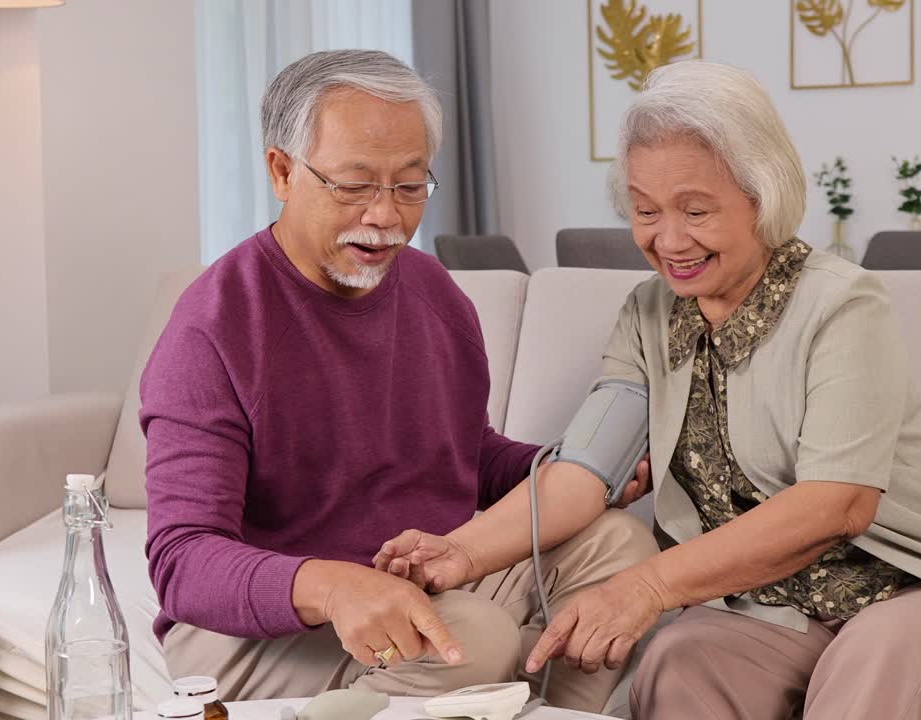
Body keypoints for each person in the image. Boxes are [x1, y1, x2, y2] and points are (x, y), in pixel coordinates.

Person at [380, 60, 921, 719]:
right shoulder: (647, 316)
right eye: (645, 209)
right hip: (778, 607)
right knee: (679, 661)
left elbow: (835, 503)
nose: (667, 239)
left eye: (695, 210)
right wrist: (461, 552)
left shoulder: (842, 305)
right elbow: (581, 474)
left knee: (880, 658)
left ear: (762, 197)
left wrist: (649, 586)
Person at [139, 49, 657, 713]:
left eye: (410, 186)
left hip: (422, 579)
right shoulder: (213, 326)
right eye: (354, 185)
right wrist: (331, 587)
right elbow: (183, 561)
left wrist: (567, 471)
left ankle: (545, 710)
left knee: (618, 544)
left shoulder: (436, 294)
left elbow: (462, 456)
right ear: (282, 171)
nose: (386, 216)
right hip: (264, 627)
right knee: (473, 638)